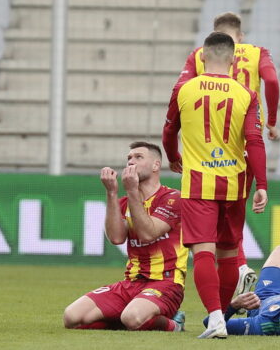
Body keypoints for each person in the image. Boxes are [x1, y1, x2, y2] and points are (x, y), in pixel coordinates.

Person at [162, 32, 268, 339]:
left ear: (202, 57)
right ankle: (219, 317)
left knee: (203, 251)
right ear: (234, 60)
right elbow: (254, 141)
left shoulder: (184, 88)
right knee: (227, 255)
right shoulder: (246, 94)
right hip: (234, 184)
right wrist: (261, 184)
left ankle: (216, 318)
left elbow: (169, 130)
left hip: (198, 184)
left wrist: (172, 157)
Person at [171, 11, 280, 303]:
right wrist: (272, 120)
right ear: (240, 38)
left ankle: (225, 296)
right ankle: (239, 266)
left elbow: (180, 109)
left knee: (205, 242)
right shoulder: (258, 54)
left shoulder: (197, 56)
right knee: (232, 228)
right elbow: (271, 80)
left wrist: (173, 152)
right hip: (243, 144)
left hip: (205, 153)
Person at [63, 142, 187, 332]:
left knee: (132, 318)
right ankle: (134, 315)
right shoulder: (124, 201)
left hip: (166, 283)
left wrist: (131, 190)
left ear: (156, 165)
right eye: (129, 158)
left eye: (138, 157)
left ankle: (174, 323)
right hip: (131, 282)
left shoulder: (172, 198)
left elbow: (148, 233)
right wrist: (111, 193)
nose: (131, 162)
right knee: (72, 318)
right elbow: (115, 238)